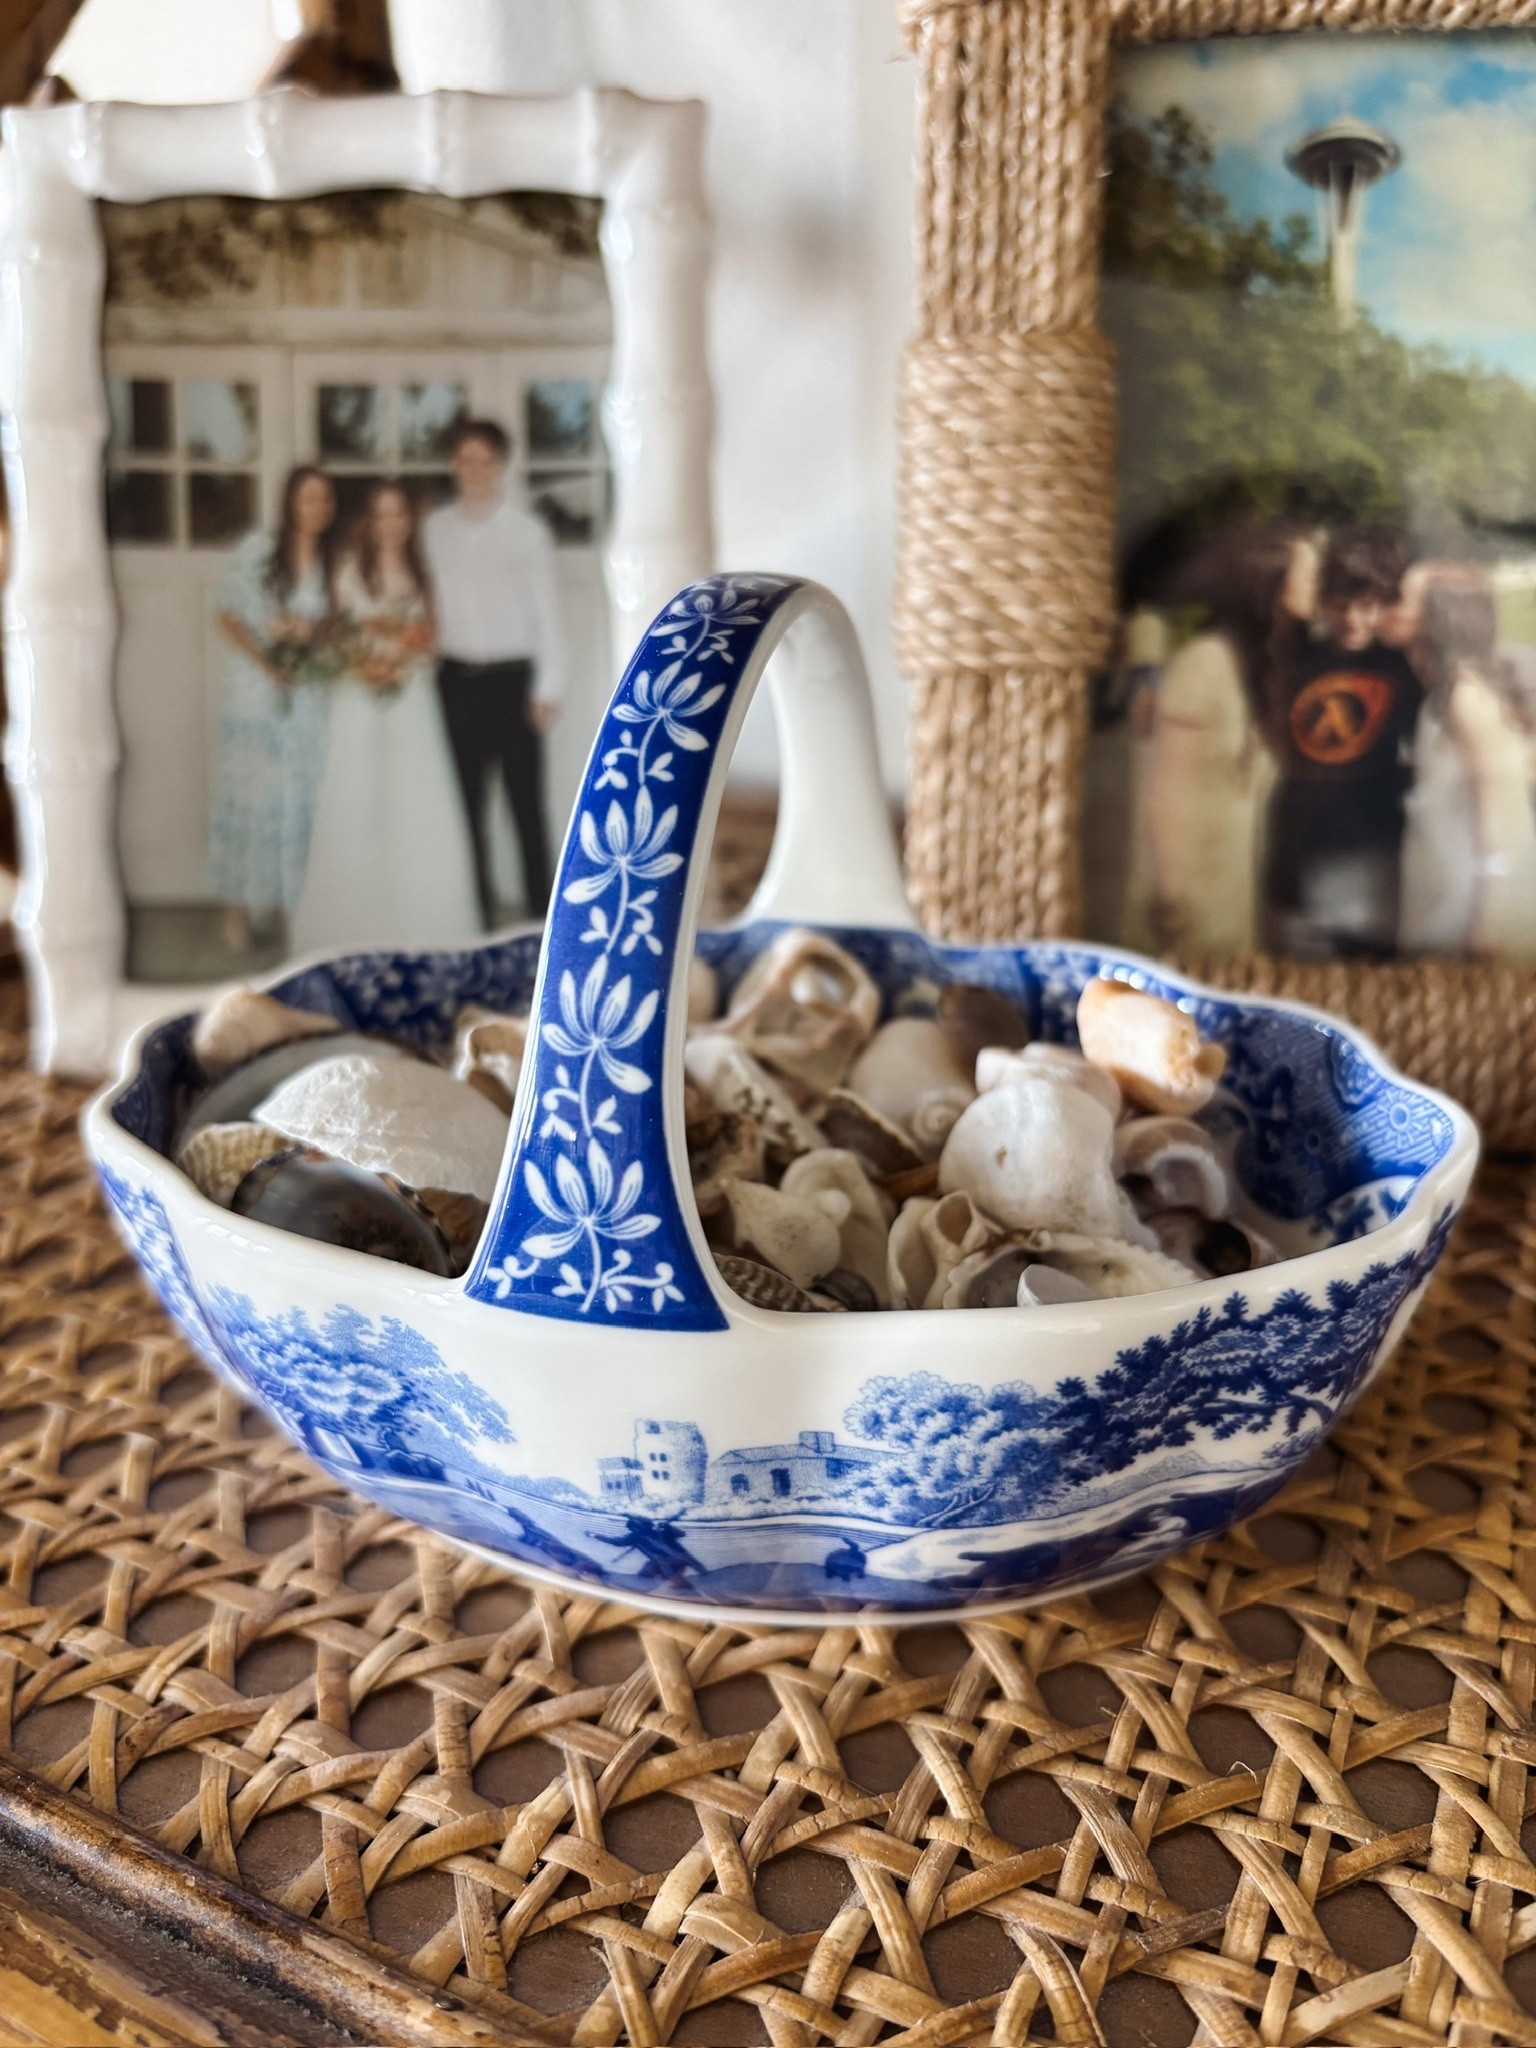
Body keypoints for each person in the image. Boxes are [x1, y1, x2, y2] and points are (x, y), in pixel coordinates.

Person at [291, 480, 481, 954]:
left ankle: (426, 924)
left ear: (409, 520)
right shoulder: (349, 569)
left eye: (399, 514)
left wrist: (404, 659)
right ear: (369, 521)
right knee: (357, 797)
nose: (391, 524)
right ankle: (351, 924)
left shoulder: (422, 571)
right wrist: (364, 665)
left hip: (411, 697)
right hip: (359, 696)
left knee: (415, 800)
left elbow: (432, 636)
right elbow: (339, 633)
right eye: (381, 514)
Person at [1123, 525, 1314, 958]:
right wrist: (1171, 901)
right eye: (1304, 577)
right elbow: (1165, 787)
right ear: (1268, 588)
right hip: (1185, 890)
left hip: (1230, 882)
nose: (1314, 590)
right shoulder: (1203, 665)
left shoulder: (1257, 667)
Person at [423, 418, 563, 926]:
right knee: (466, 804)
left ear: (501, 465)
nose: (475, 469)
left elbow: (546, 612)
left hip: (512, 680)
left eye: (485, 459)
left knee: (526, 803)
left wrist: (550, 685)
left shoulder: (527, 533)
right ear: (453, 465)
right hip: (454, 679)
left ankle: (540, 917)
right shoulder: (434, 531)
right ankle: (475, 913)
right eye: (465, 459)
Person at [1261, 527, 1422, 959]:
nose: (1353, 619)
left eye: (1368, 606)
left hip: (1370, 855)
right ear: (1322, 601)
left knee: (1370, 969)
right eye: (1340, 604)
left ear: (1387, 605)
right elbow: (1293, 604)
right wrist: (1306, 546)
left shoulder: (1401, 666)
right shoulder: (1298, 654)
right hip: (1298, 850)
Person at [208, 466, 338, 954]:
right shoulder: (258, 550)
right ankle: (236, 911)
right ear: (290, 502)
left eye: (325, 500)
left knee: (299, 799)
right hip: (255, 691)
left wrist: (310, 636)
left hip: (307, 694)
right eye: (308, 498)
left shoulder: (331, 558)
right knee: (248, 797)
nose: (317, 508)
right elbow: (226, 613)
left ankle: (290, 908)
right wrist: (269, 657)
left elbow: (334, 624)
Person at [1397, 563, 1536, 961]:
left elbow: (1502, 820)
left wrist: (1491, 923)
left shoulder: (1467, 700)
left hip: (1467, 916)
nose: (1396, 611)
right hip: (1446, 897)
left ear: (1437, 620)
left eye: (1407, 602)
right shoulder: (1448, 693)